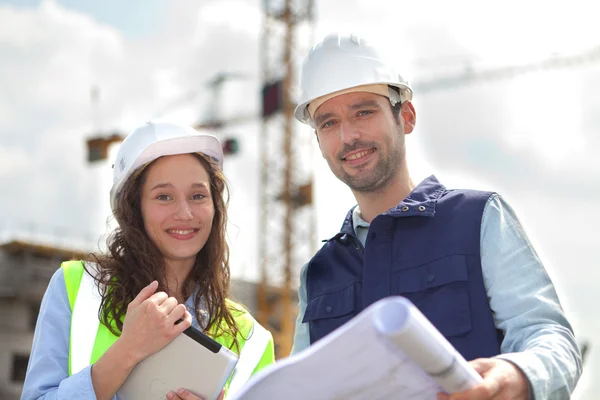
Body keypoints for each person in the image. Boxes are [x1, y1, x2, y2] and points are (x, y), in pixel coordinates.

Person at [290, 33, 582, 400]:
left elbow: (548, 336)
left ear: (406, 116)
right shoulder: (318, 273)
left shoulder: (478, 219)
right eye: (328, 123)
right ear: (318, 140)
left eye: (364, 111)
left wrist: (514, 375)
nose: (349, 135)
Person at [22, 121, 275, 400]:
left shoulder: (252, 340)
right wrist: (129, 349)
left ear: (215, 207)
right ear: (133, 209)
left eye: (198, 196)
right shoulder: (77, 288)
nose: (185, 213)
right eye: (163, 196)